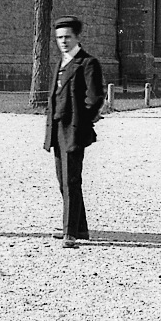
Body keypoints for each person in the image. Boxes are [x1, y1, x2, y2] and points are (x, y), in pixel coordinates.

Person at [43, 16, 105, 246]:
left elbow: (95, 97)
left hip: (73, 130)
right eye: (59, 38)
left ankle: (69, 232)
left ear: (78, 37)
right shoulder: (60, 62)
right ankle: (80, 228)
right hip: (56, 129)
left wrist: (81, 122)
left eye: (68, 37)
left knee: (70, 180)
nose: (63, 42)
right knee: (63, 180)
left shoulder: (88, 63)